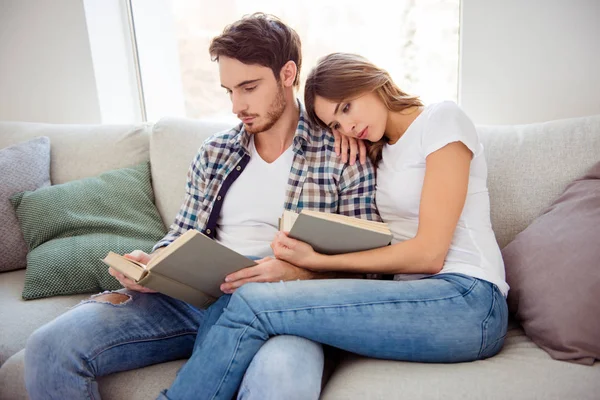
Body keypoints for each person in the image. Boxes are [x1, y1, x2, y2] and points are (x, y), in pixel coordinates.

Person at [23, 18, 381, 400]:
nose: (237, 106)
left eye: (249, 87)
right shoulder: (215, 152)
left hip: (284, 309)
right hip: (192, 301)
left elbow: (368, 271)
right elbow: (182, 233)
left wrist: (297, 273)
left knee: (281, 378)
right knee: (50, 347)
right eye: (229, 91)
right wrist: (153, 263)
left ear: (287, 74)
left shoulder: (342, 152)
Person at [156, 53, 510, 400]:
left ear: (372, 80)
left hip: (468, 299)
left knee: (252, 301)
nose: (348, 126)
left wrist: (316, 261)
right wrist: (348, 136)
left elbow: (429, 254)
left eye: (347, 107)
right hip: (409, 298)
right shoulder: (377, 149)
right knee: (244, 287)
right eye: (335, 125)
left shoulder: (442, 119)